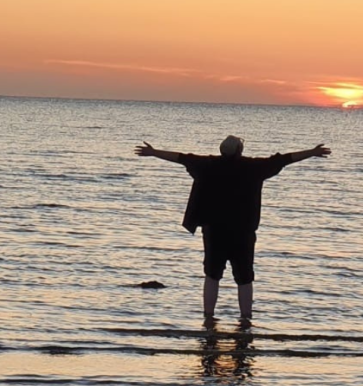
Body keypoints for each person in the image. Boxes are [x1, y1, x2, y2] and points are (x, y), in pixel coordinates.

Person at [134, 135, 330, 324]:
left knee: (212, 275)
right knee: (244, 278)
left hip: (214, 231)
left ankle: (208, 318)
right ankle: (245, 318)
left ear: (221, 150)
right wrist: (312, 152)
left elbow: (180, 157)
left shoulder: (207, 165)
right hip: (242, 232)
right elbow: (283, 160)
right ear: (239, 151)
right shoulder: (253, 168)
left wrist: (153, 152)